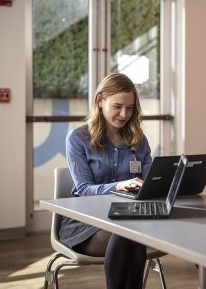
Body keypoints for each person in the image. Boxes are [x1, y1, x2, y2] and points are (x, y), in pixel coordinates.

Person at [59, 73, 152, 289]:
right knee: (129, 234)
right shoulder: (78, 138)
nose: (124, 114)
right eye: (117, 106)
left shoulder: (138, 140)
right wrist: (118, 186)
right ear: (100, 101)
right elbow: (83, 189)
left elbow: (149, 181)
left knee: (130, 232)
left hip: (128, 216)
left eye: (129, 108)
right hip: (86, 222)